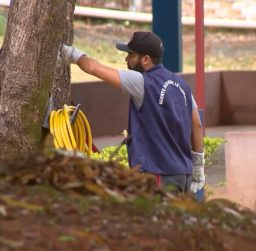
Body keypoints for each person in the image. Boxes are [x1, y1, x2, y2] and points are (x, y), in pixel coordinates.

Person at [60, 31, 205, 194]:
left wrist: (70, 53)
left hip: (157, 174)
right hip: (182, 174)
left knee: (152, 218)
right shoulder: (182, 85)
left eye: (131, 55)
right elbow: (197, 125)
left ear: (145, 59)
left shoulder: (142, 82)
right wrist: (198, 165)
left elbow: (94, 68)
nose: (126, 59)